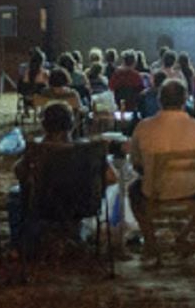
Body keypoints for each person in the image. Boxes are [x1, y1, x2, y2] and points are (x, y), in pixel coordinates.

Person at [8, 102, 118, 254]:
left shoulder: (38, 150)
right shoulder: (90, 150)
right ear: (72, 124)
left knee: (15, 195)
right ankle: (72, 232)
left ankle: (19, 245)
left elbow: (19, 173)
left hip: (45, 205)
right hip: (84, 204)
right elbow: (112, 178)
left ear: (44, 125)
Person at [129, 80, 195, 258]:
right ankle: (185, 234)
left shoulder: (144, 127)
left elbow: (136, 162)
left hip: (154, 192)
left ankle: (150, 239)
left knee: (133, 190)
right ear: (185, 100)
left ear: (159, 100)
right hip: (191, 190)